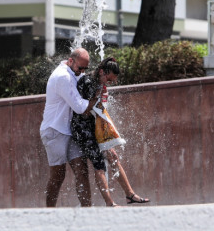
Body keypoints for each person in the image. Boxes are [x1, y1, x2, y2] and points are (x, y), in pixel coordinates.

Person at [71, 57, 150, 206]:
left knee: (113, 156)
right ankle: (110, 203)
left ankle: (130, 195)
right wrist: (97, 101)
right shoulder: (89, 84)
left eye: (112, 81)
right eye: (108, 79)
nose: (109, 83)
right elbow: (84, 111)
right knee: (99, 164)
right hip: (83, 130)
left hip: (94, 128)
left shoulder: (98, 84)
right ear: (101, 71)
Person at [39, 48, 98, 207]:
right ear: (70, 61)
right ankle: (49, 212)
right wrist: (95, 100)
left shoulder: (73, 72)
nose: (82, 72)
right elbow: (80, 107)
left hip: (70, 131)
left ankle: (87, 210)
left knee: (82, 170)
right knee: (58, 176)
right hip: (54, 131)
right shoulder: (62, 77)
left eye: (86, 68)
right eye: (80, 68)